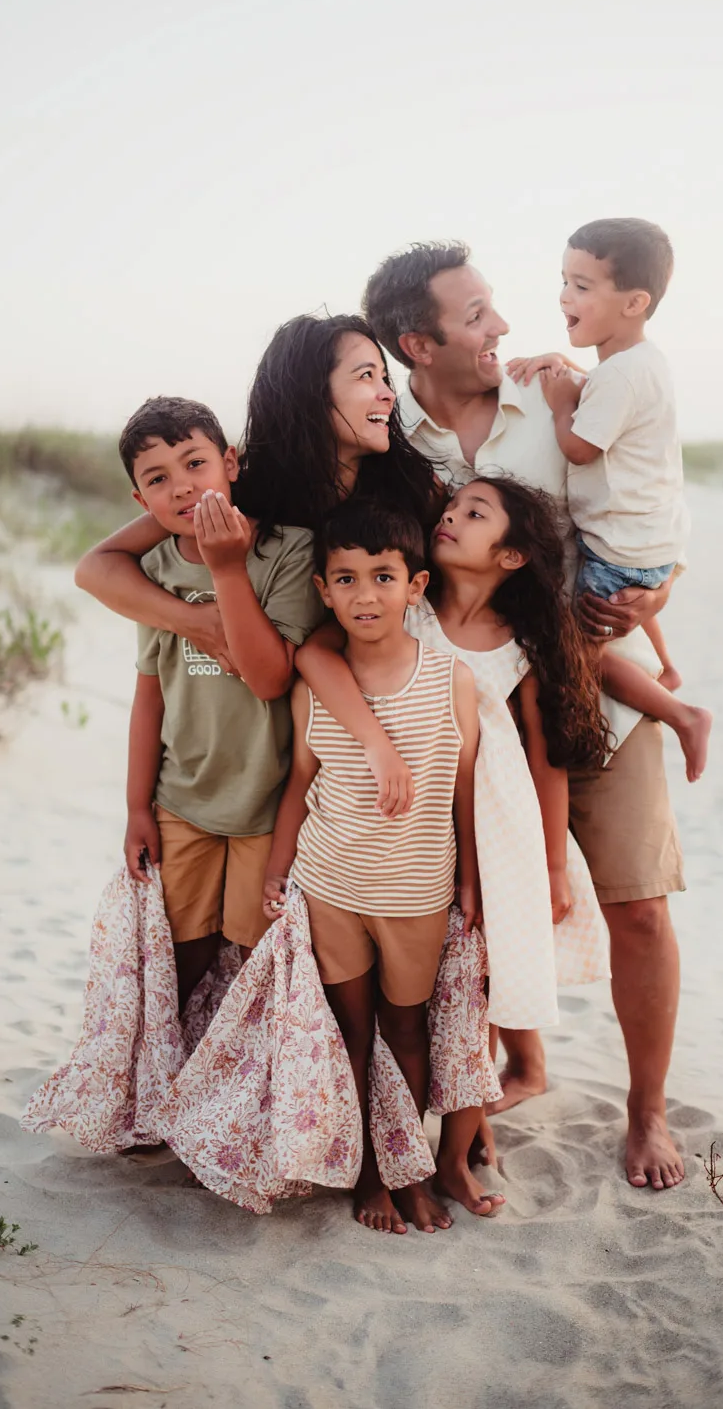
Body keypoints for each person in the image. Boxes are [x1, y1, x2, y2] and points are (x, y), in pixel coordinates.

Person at [361, 241, 687, 1190]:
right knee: (477, 906)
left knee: (638, 906)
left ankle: (648, 1112)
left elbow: (655, 511)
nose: (504, 325)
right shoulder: (391, 445)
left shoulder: (567, 402)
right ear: (417, 344)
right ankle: (513, 1064)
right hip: (462, 718)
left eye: (496, 306)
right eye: (476, 315)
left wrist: (659, 593)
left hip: (584, 686)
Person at [297, 475, 611, 1198]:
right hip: (404, 824)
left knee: (475, 994)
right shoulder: (405, 604)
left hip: (495, 827)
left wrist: (554, 866)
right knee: (411, 999)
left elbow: (545, 755)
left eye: (476, 513)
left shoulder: (523, 641)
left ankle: (458, 1150)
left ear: (511, 557)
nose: (452, 516)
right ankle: (414, 1144)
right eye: (452, 507)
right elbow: (316, 653)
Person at [74, 313, 442, 808]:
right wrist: (195, 622)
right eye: (364, 376)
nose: (386, 394)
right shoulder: (243, 488)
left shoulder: (412, 494)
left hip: (385, 731)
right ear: (312, 391)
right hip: (259, 755)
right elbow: (95, 568)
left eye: (383, 377)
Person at [262, 500, 481, 1236]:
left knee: (408, 1031)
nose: (364, 595)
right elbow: (299, 783)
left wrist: (471, 878)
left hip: (416, 890)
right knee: (351, 1034)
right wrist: (276, 868)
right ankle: (366, 1173)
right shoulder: (316, 687)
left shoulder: (448, 679)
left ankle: (408, 1168)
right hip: (331, 887)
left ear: (415, 586)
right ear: (322, 590)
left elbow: (464, 789)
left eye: (382, 577)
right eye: (346, 580)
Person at [118, 395, 325, 1009]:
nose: (182, 488)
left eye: (195, 464)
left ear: (230, 464)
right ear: (141, 502)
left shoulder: (287, 550)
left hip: (267, 802)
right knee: (181, 955)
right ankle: (172, 1080)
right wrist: (136, 806)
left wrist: (227, 570)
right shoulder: (152, 568)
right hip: (182, 800)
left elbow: (268, 680)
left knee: (251, 961)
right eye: (159, 479)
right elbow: (148, 696)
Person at [507, 218, 712, 783]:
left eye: (581, 285)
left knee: (576, 647)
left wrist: (558, 406)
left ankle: (683, 715)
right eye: (564, 281)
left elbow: (577, 447)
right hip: (653, 540)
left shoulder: (616, 379)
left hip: (620, 547)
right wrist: (566, 373)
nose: (564, 296)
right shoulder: (642, 363)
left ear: (634, 302)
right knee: (627, 599)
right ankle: (667, 667)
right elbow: (605, 388)